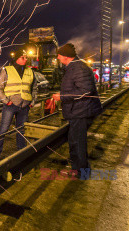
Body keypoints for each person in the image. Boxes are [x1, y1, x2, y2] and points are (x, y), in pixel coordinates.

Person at [52, 43, 102, 175]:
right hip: (80, 109)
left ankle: (80, 171)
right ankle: (79, 168)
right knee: (75, 140)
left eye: (59, 55)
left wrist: (62, 96)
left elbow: (85, 90)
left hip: (81, 111)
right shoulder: (75, 66)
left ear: (65, 57)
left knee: (77, 142)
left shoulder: (78, 68)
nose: (57, 58)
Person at [0, 49, 37, 163]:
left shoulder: (30, 71)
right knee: (3, 129)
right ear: (17, 58)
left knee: (21, 130)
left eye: (26, 57)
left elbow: (34, 88)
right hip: (10, 105)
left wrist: (32, 102)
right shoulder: (7, 70)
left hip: (24, 106)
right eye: (23, 57)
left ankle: (21, 153)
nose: (26, 59)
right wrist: (6, 101)